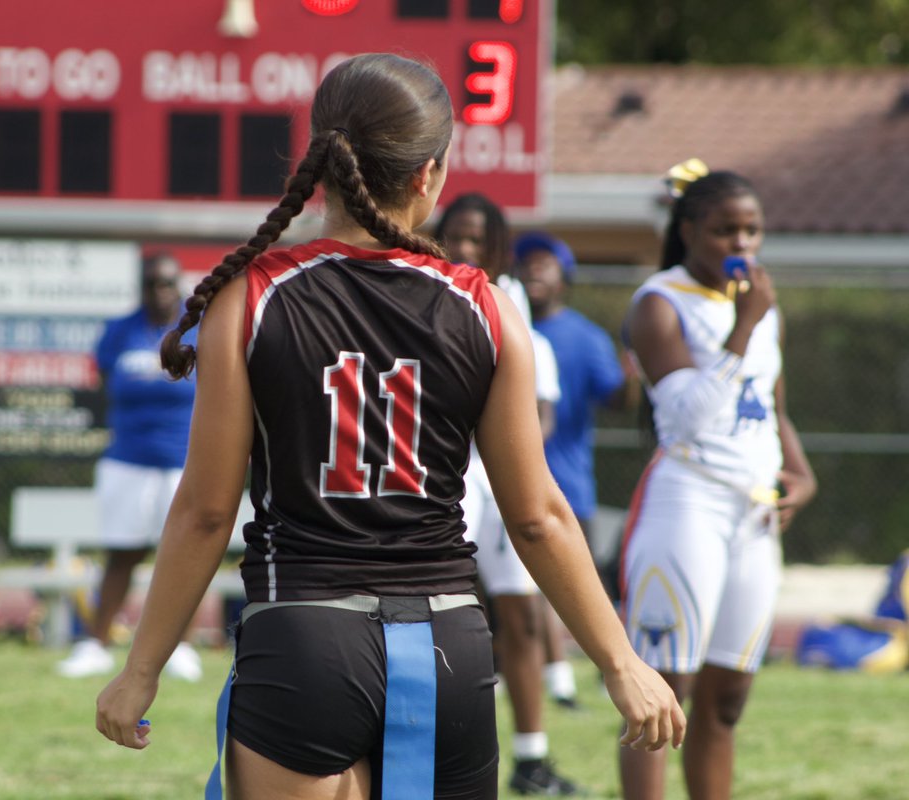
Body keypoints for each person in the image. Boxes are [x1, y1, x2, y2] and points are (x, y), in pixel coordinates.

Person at [94, 53, 684, 800]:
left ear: (322, 164)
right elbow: (537, 518)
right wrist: (620, 662)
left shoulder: (252, 300)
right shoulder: (489, 307)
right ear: (429, 174)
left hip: (303, 636)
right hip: (448, 645)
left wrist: (140, 670)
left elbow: (208, 511)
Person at [617, 161, 817, 800]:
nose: (741, 244)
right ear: (689, 229)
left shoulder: (762, 305)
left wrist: (801, 473)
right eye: (725, 230)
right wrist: (745, 325)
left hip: (754, 515)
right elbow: (682, 416)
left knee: (727, 699)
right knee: (661, 694)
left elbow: (771, 405)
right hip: (688, 503)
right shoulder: (659, 302)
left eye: (752, 230)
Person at [435, 194, 582, 796]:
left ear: (498, 247)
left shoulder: (510, 305)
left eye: (479, 240)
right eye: (458, 238)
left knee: (519, 619)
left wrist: (507, 452)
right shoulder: (425, 291)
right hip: (443, 474)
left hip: (499, 477)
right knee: (447, 612)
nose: (467, 250)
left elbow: (540, 411)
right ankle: (445, 747)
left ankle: (531, 756)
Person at [55, 252, 204, 682]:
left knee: (182, 556)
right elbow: (106, 380)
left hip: (183, 460)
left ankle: (182, 647)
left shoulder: (198, 327)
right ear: (140, 288)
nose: (160, 292)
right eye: (152, 284)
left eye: (167, 284)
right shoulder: (119, 331)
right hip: (127, 460)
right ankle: (96, 644)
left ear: (180, 287)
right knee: (122, 553)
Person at [514, 229, 630, 709]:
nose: (534, 271)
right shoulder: (505, 322)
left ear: (566, 277)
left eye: (547, 263)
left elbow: (620, 400)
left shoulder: (586, 337)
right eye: (527, 262)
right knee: (521, 588)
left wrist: (635, 366)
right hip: (507, 481)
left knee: (583, 581)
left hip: (567, 482)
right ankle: (557, 677)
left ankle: (618, 665)